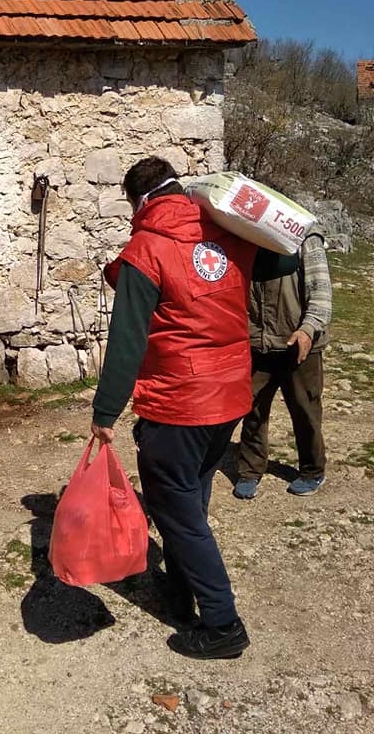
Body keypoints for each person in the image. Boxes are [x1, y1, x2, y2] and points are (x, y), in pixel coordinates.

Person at [90, 157, 298, 660]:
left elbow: (127, 340)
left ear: (139, 201)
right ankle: (180, 594)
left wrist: (104, 412)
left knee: (177, 511)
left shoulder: (148, 247)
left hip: (178, 401)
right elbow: (286, 259)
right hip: (229, 395)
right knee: (192, 496)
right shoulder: (228, 233)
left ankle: (223, 624)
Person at [234, 228, 332, 499]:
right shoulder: (246, 237)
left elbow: (321, 292)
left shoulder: (306, 238)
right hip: (257, 342)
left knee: (305, 410)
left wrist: (308, 328)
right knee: (252, 408)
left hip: (298, 344)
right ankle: (250, 470)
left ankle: (313, 470)